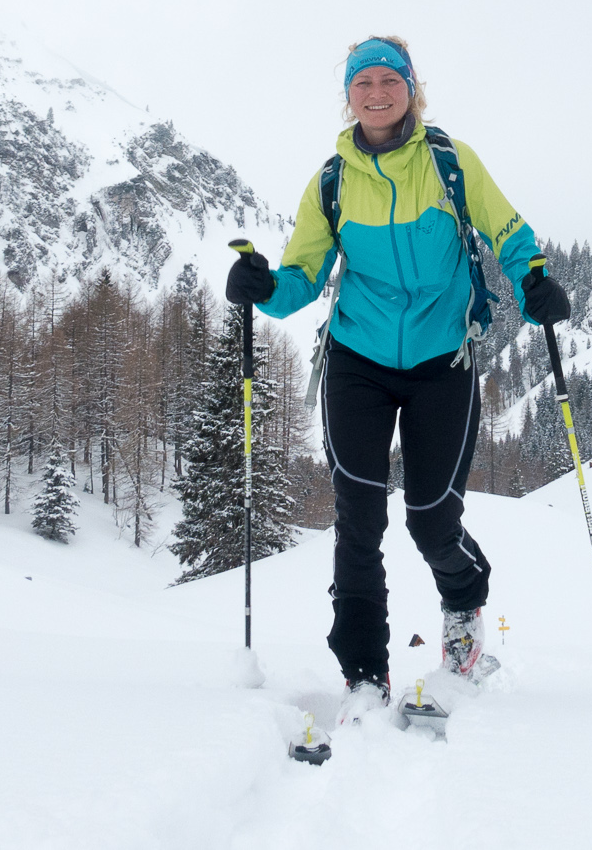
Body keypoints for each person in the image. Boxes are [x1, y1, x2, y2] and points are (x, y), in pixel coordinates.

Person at [225, 35, 570, 707]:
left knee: (430, 516)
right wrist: (261, 285)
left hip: (444, 361)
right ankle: (363, 672)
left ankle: (465, 608)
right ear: (348, 96)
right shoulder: (332, 181)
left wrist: (534, 281)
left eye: (390, 80)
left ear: (411, 89)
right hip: (358, 361)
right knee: (358, 517)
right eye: (364, 83)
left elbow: (507, 229)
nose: (377, 93)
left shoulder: (450, 161)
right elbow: (300, 276)